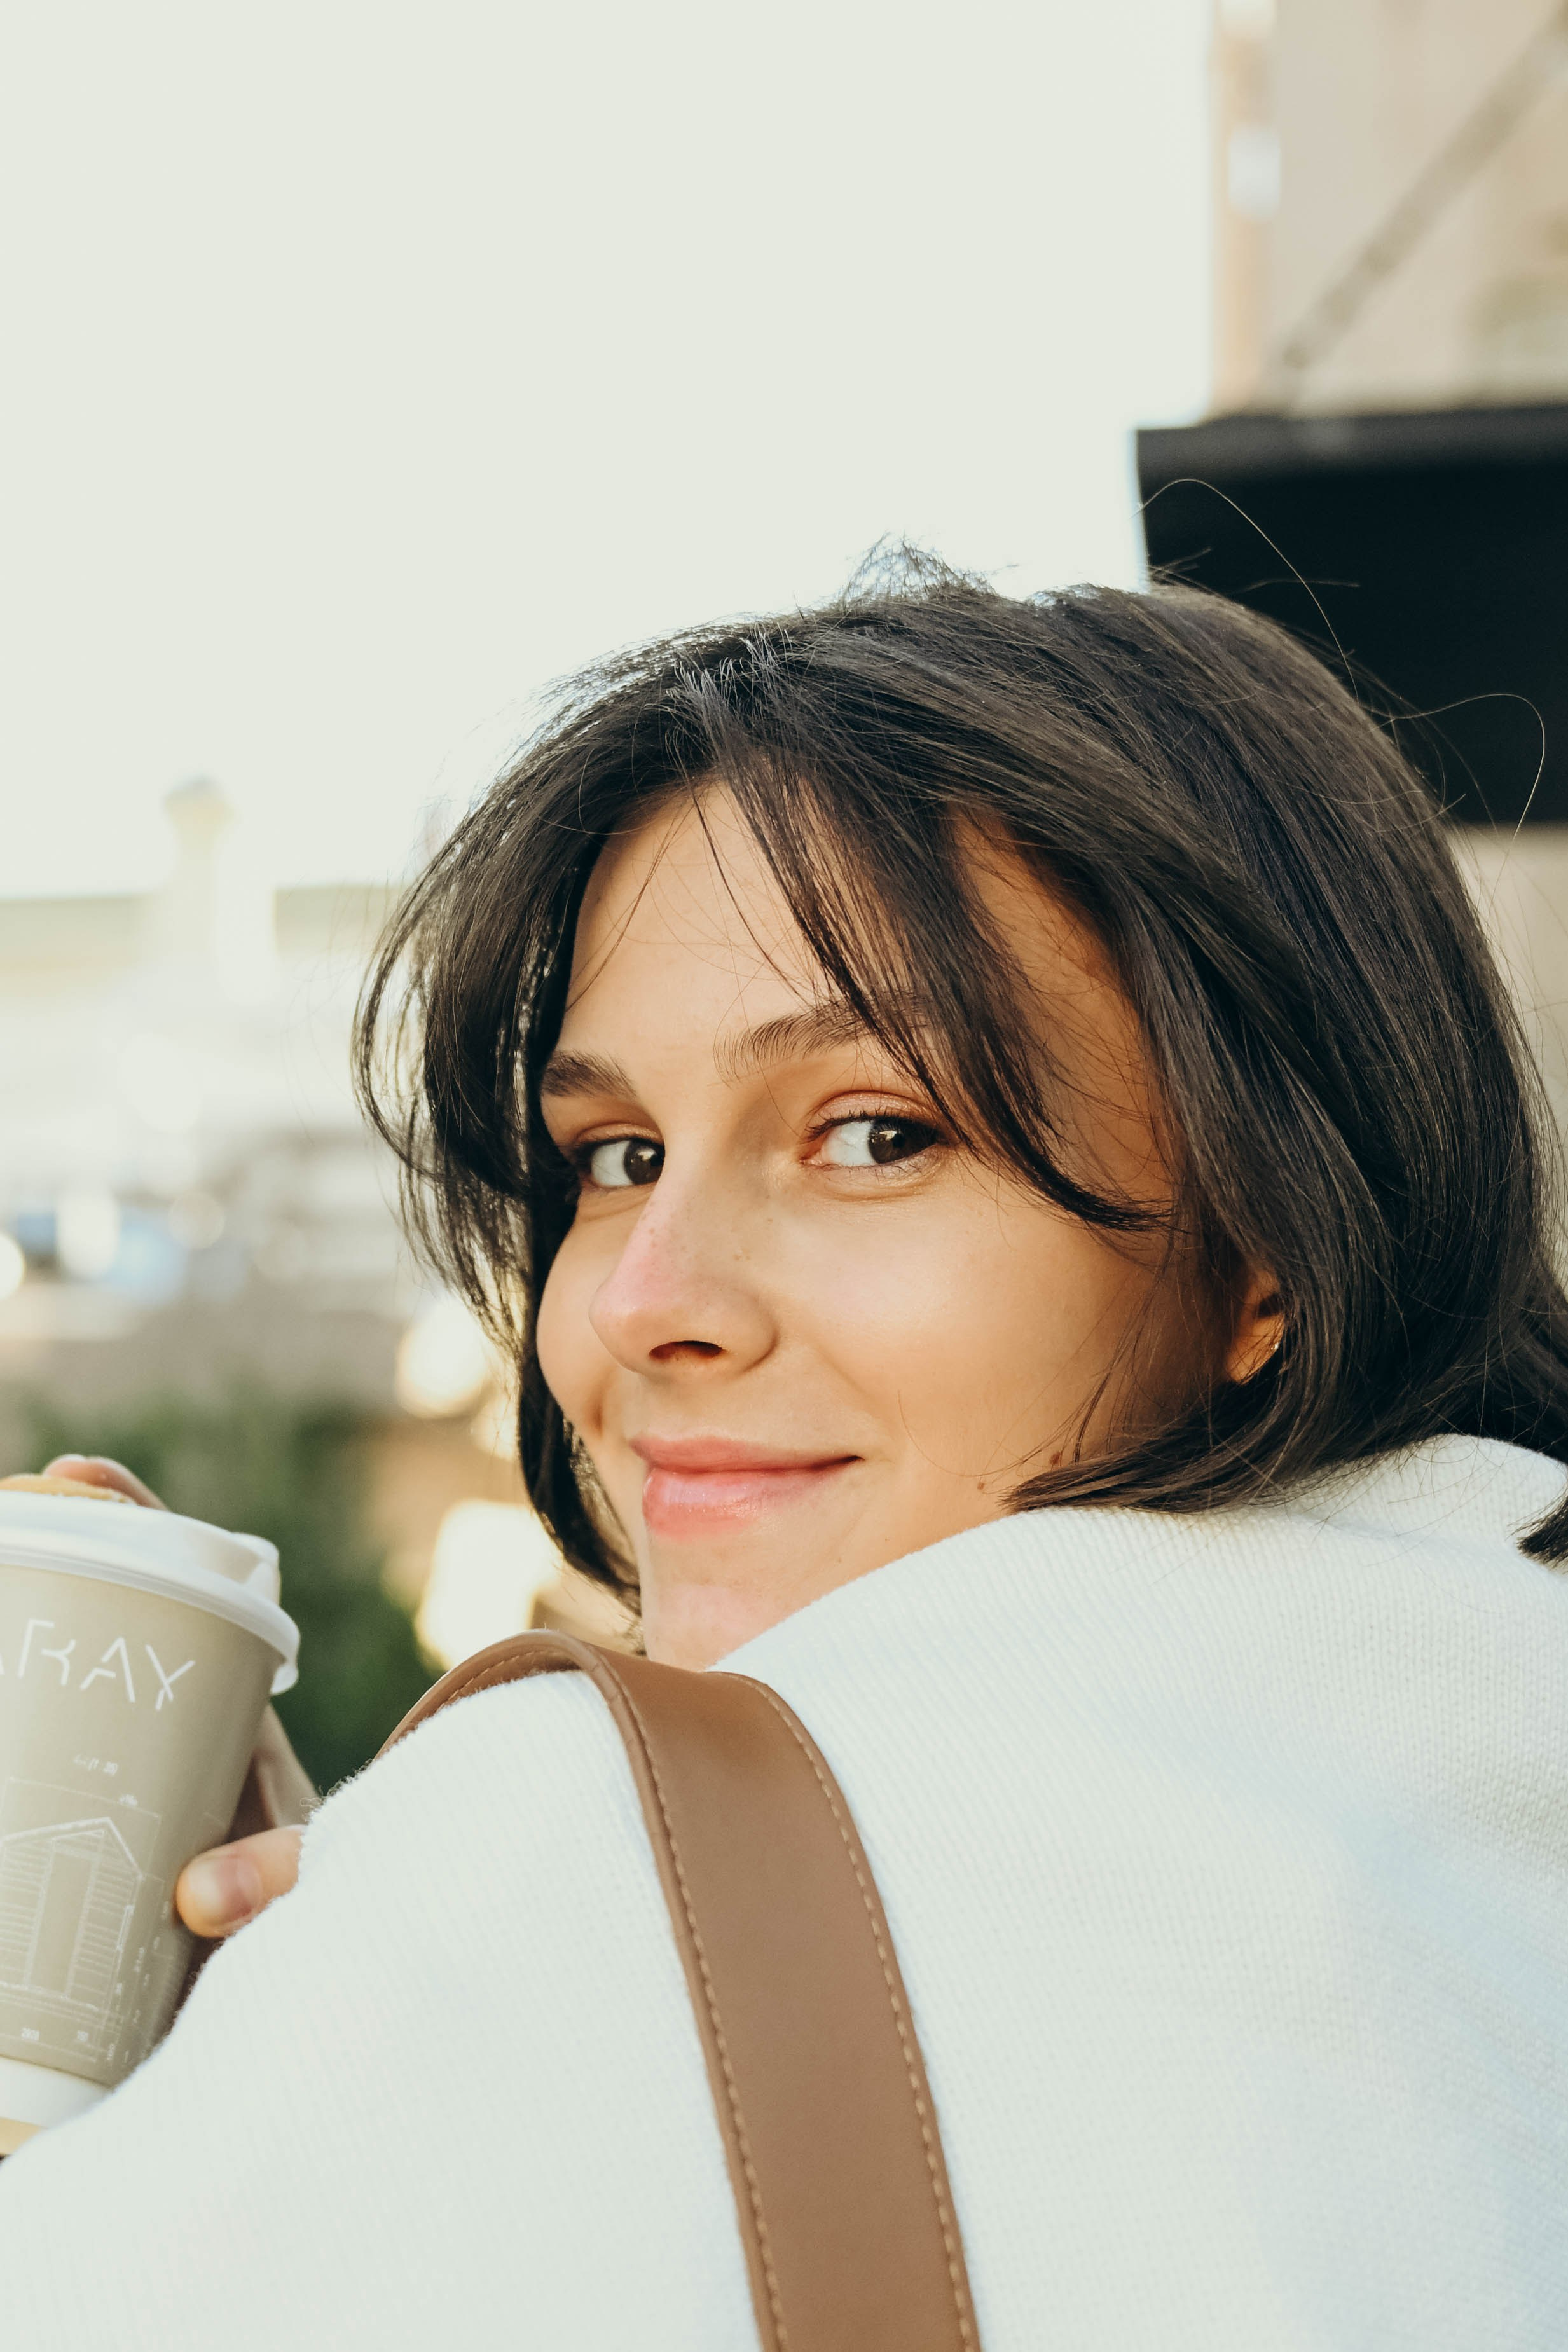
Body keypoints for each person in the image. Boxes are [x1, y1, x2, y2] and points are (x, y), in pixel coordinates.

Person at [3, 561, 1567, 2348]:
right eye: (615, 1157)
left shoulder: (564, 1861)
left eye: (876, 1134)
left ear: (1269, 1237)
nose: (645, 1304)